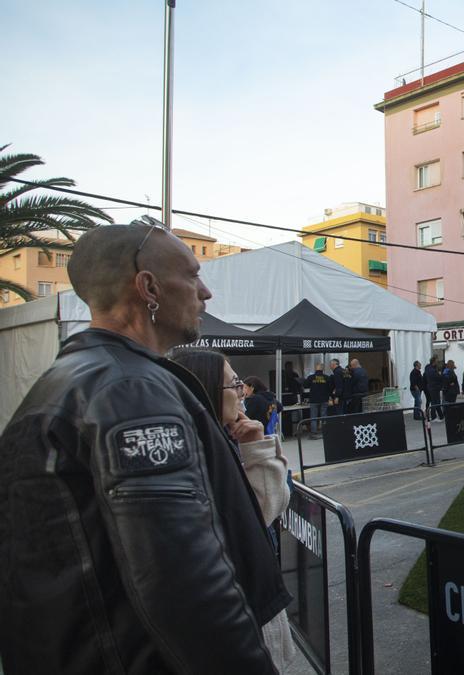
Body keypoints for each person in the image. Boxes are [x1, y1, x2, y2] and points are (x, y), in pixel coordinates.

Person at [0, 219, 290, 672]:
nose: (205, 292)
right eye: (192, 275)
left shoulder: (74, 378)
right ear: (148, 287)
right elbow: (181, 580)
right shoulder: (129, 389)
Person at [170, 349, 295, 668]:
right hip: (241, 618)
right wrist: (257, 448)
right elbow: (264, 511)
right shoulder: (202, 454)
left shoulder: (222, 440)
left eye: (241, 383)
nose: (242, 392)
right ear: (207, 389)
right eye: (234, 384)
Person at [305, 362, 333, 437]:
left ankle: (314, 432)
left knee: (313, 417)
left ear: (315, 368)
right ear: (323, 369)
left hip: (314, 399)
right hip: (324, 399)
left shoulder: (311, 377)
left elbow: (305, 385)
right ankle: (325, 431)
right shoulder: (327, 377)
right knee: (324, 416)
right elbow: (330, 388)